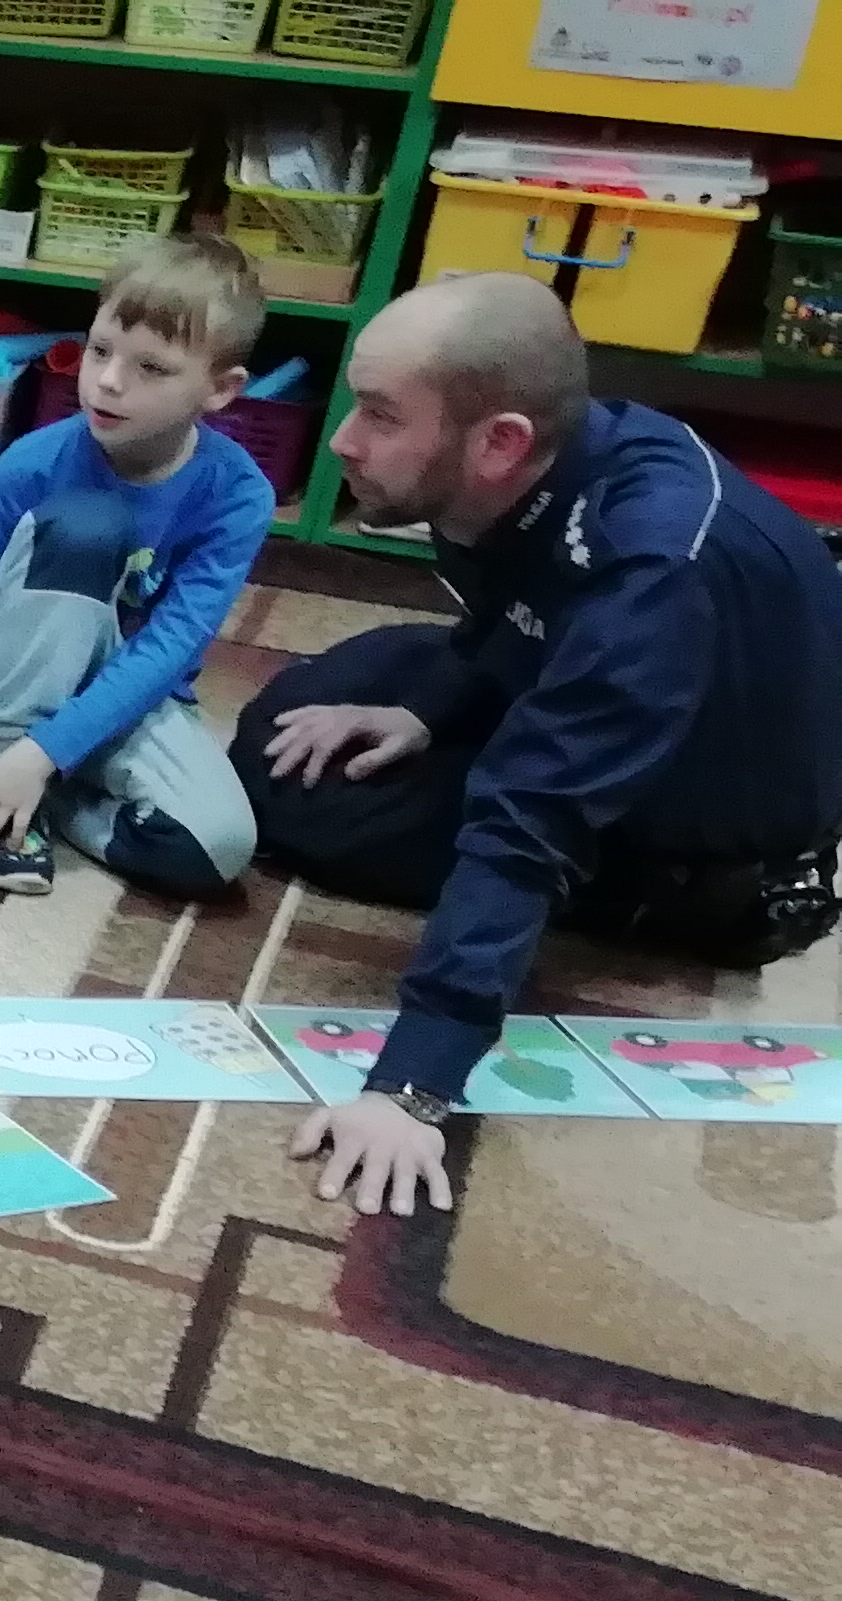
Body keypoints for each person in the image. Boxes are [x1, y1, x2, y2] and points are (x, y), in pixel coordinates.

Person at [228, 272, 842, 1215]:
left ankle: (648, 903)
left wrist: (412, 1085)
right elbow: (517, 604)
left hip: (701, 828)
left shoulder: (650, 572)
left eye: (381, 416)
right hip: (597, 684)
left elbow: (532, 817)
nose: (344, 440)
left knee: (311, 801)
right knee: (310, 704)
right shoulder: (543, 465)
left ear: (501, 442)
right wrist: (428, 712)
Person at [0, 233, 270, 899]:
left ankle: (36, 788)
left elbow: (169, 650)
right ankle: (9, 780)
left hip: (119, 693)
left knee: (217, 849)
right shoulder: (32, 462)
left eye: (151, 368)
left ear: (221, 389)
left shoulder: (239, 494)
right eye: (100, 350)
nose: (108, 381)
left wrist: (46, 754)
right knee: (87, 524)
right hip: (4, 682)